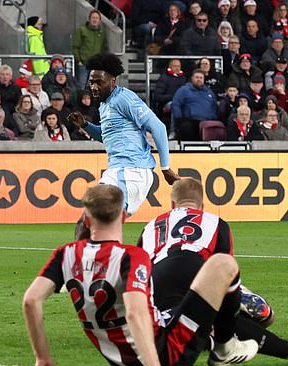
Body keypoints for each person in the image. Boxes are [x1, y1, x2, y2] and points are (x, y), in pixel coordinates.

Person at [23, 184, 251, 366]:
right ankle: (225, 346)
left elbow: (31, 301)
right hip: (165, 355)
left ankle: (221, 342)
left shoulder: (66, 254)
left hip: (119, 361)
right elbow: (134, 313)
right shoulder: (130, 256)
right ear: (123, 216)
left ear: (86, 218)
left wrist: (43, 358)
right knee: (223, 264)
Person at [138, 178, 288, 366]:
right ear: (203, 205)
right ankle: (225, 346)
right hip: (195, 268)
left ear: (172, 204)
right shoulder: (216, 222)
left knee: (182, 324)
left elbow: (141, 268)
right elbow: (224, 268)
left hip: (158, 276)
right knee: (222, 316)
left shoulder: (151, 225)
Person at [68, 53, 179, 219]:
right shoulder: (105, 104)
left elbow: (158, 127)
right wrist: (85, 125)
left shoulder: (124, 98)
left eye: (99, 82)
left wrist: (165, 168)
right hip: (118, 169)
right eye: (91, 82)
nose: (94, 87)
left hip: (132, 169)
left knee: (100, 215)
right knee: (92, 217)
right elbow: (106, 136)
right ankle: (102, 245)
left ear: (112, 80)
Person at [172, 69, 219, 141]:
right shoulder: (184, 90)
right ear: (192, 78)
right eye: (197, 77)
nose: (199, 79)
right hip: (190, 121)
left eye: (201, 78)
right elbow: (176, 104)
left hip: (206, 122)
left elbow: (214, 106)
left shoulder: (209, 92)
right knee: (186, 127)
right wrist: (179, 118)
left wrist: (213, 118)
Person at [72, 9, 107, 88]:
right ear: (89, 19)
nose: (94, 20)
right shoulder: (82, 30)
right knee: (82, 86)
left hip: (96, 66)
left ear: (100, 20)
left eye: (96, 18)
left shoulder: (101, 33)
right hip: (83, 65)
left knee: (95, 88)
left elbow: (104, 48)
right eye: (93, 18)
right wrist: (79, 61)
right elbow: (75, 46)